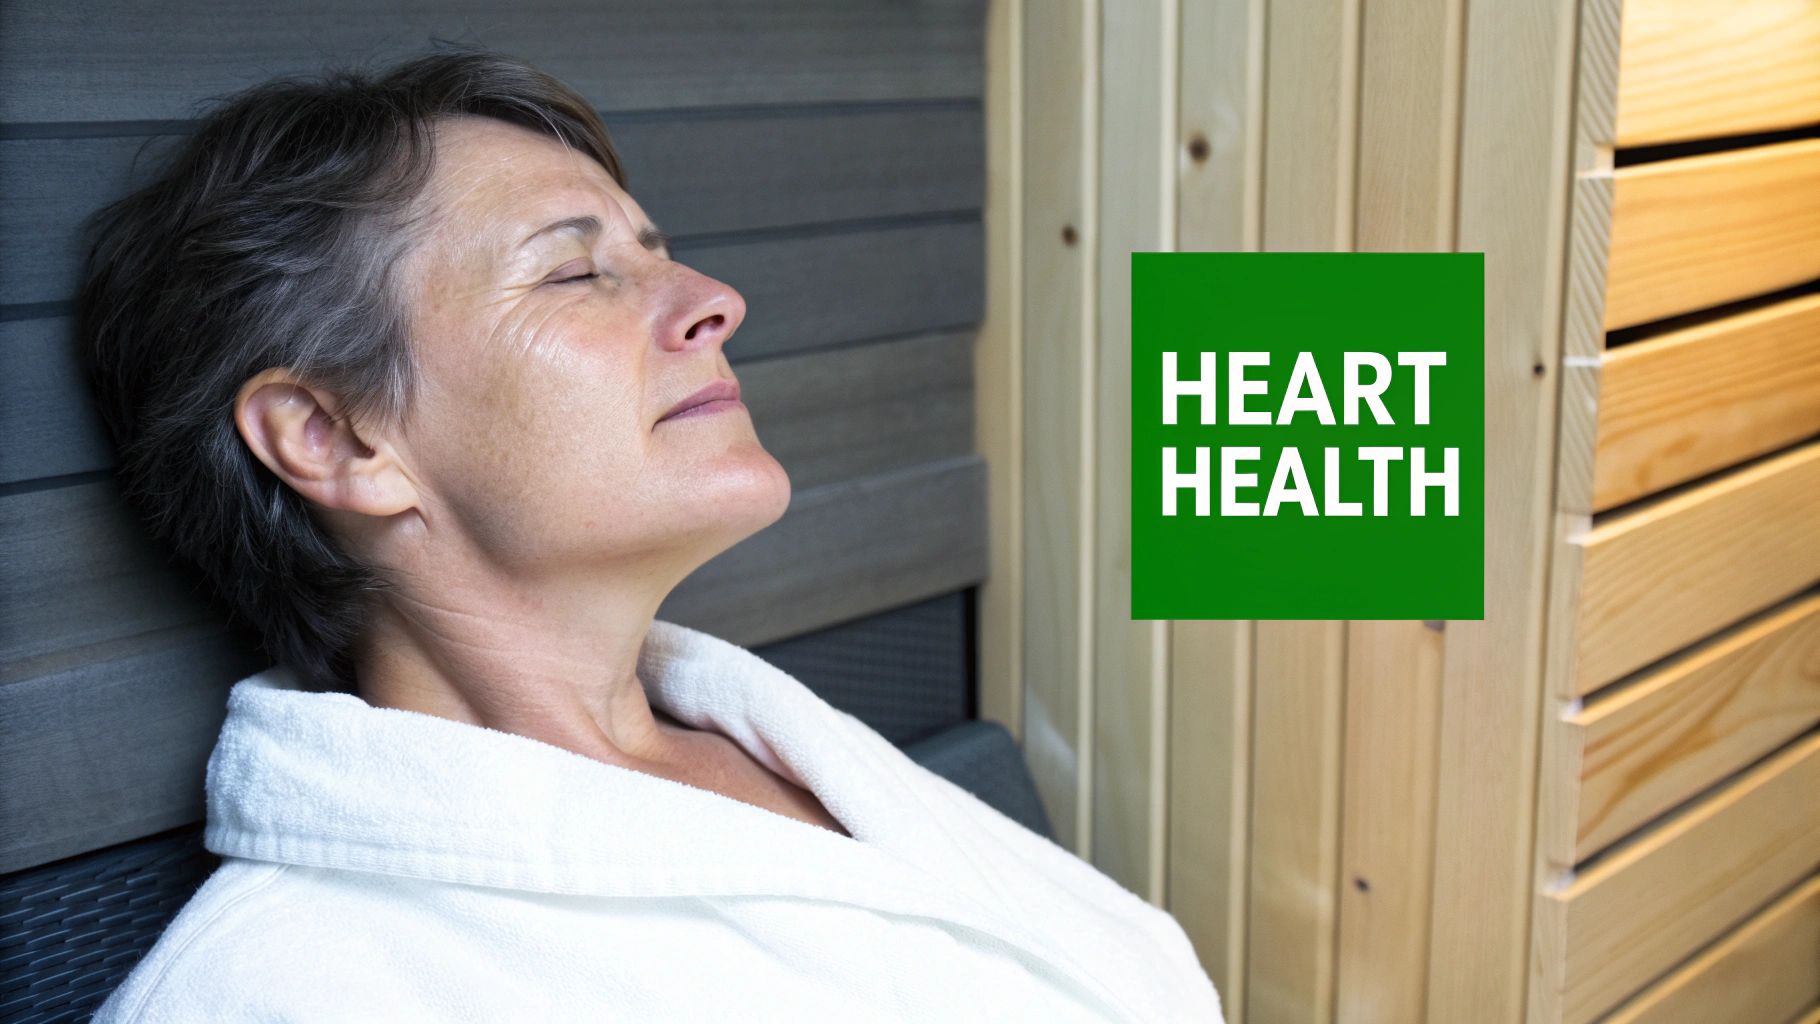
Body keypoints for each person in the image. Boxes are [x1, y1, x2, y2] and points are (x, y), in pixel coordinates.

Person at [78, 46, 1225, 1022]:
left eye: (655, 251)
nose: (713, 299)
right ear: (333, 438)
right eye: (574, 271)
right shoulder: (283, 989)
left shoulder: (796, 754)